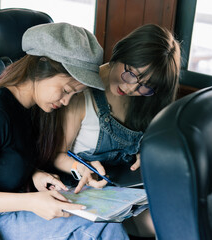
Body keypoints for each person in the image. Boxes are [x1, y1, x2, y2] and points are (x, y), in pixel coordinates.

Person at [0, 22, 130, 240]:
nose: (67, 101)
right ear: (41, 67)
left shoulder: (32, 109)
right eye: (66, 90)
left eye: (73, 95)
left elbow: (4, 160)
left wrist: (36, 176)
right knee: (102, 228)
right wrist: (30, 202)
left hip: (15, 206)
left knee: (106, 217)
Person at [53, 24, 181, 238]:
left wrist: (145, 149)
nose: (131, 88)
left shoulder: (146, 98)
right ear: (121, 52)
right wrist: (79, 167)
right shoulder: (81, 91)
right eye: (131, 73)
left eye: (145, 86)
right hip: (84, 189)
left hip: (126, 191)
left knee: (179, 218)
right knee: (162, 226)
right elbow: (55, 154)